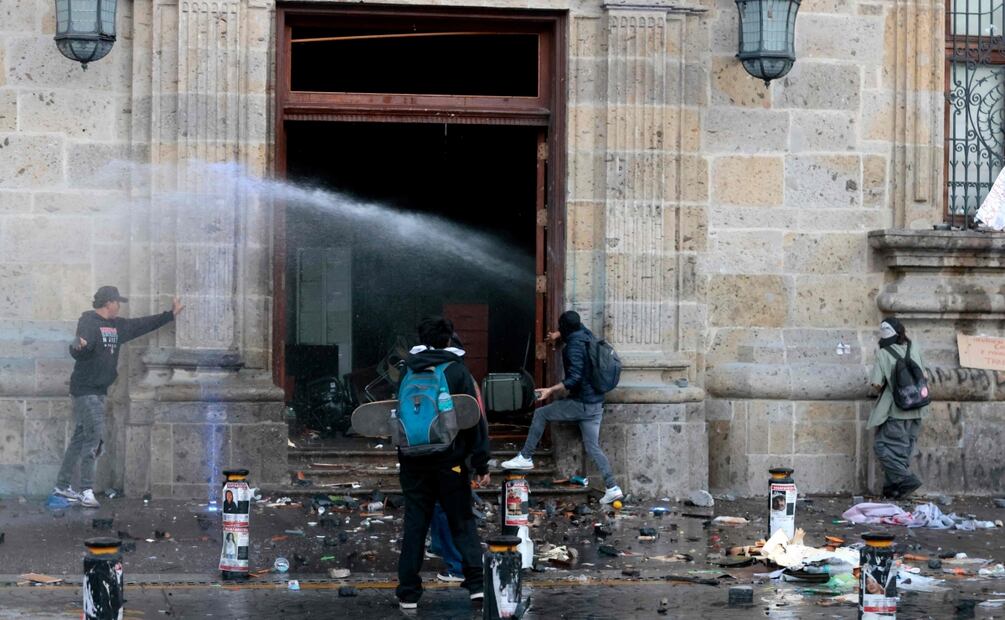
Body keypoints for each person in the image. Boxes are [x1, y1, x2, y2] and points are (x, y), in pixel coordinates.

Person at [53, 286, 184, 508]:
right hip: (86, 390)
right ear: (109, 302)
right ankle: (85, 490)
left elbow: (141, 324)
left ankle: (62, 486)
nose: (120, 306)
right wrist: (78, 347)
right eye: (117, 302)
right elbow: (79, 347)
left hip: (98, 390)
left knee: (81, 437)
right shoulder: (88, 322)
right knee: (93, 439)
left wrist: (169, 315)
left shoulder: (118, 326)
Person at [396, 316, 491, 611]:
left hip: (413, 462)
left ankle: (408, 593)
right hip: (450, 461)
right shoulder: (457, 371)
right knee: (461, 522)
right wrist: (481, 461)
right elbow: (473, 419)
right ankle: (476, 586)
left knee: (414, 526)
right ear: (449, 338)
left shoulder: (406, 371)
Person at [501, 310, 623, 505]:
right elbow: (576, 328)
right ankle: (612, 487)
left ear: (565, 328)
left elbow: (574, 379)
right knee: (593, 447)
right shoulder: (587, 335)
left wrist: (550, 390)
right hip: (596, 403)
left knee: (541, 413)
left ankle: (525, 456)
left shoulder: (573, 347)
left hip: (582, 403)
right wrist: (559, 334)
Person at [868, 317, 929, 499]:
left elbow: (876, 384)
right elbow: (924, 374)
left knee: (882, 446)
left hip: (896, 409)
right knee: (902, 451)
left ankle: (906, 479)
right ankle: (893, 490)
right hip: (918, 407)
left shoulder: (883, 353)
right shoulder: (914, 347)